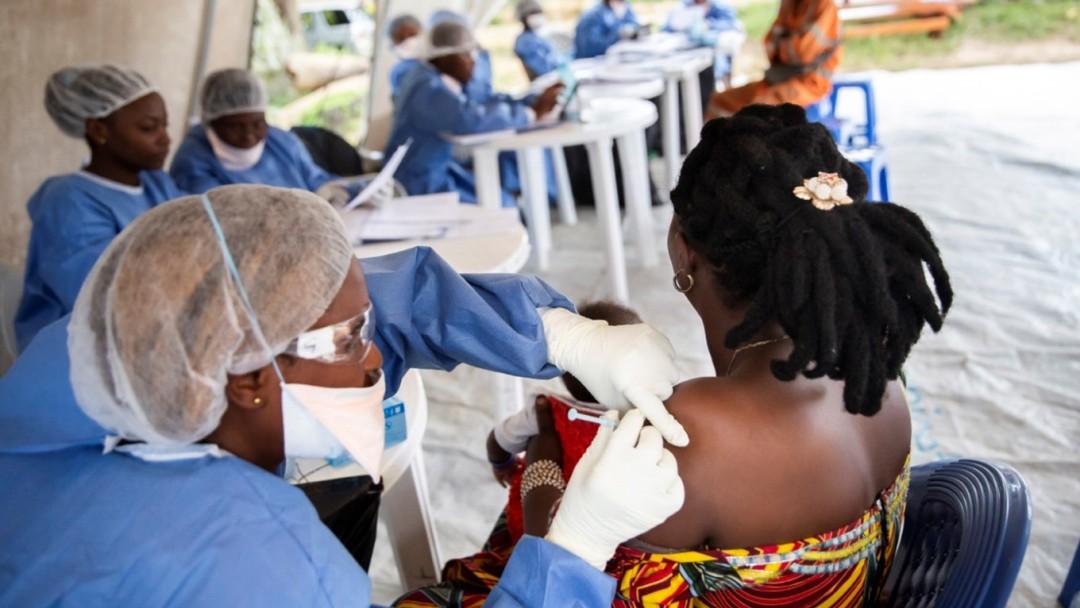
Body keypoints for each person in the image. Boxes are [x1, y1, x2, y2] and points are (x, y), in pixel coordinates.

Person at [0, 185, 687, 605]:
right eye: (352, 341)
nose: (379, 355)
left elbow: (353, 302)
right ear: (245, 382)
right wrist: (569, 557)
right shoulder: (260, 573)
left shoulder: (125, 341)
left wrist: (558, 333)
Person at [394, 103, 954, 607]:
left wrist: (545, 445)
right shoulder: (874, 369)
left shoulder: (698, 431)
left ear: (682, 247)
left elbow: (563, 568)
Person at [14, 64, 181, 353]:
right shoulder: (67, 201)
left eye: (165, 125)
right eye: (148, 128)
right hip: (74, 356)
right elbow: (102, 296)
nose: (165, 139)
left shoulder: (157, 185)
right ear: (98, 129)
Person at [385, 21, 563, 208]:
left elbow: (482, 102)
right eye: (467, 55)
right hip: (419, 181)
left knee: (504, 203)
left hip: (436, 170)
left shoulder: (436, 78)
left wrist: (531, 101)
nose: (474, 62)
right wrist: (529, 114)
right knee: (501, 209)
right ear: (445, 56)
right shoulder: (427, 88)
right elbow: (468, 118)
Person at [486, 300, 641, 486]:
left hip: (543, 506)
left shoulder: (545, 410)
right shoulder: (653, 417)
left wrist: (503, 464)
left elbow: (498, 440)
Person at [170, 68, 374, 206]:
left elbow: (316, 180)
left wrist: (355, 190)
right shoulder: (191, 161)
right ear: (211, 122)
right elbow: (218, 212)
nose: (249, 135)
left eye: (257, 123)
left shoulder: (281, 142)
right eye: (235, 126)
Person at [706, 0, 840, 118]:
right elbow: (769, 45)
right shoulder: (789, 3)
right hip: (777, 78)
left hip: (809, 83)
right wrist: (788, 45)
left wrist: (782, 44)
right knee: (719, 101)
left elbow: (802, 53)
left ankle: (756, 146)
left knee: (757, 111)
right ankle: (722, 145)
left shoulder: (824, 5)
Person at [662, 0, 744, 84]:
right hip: (681, 57)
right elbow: (665, 30)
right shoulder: (681, 7)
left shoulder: (721, 6)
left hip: (713, 63)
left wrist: (709, 24)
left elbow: (732, 25)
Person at [513, 0, 565, 80]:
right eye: (532, 13)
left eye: (538, 12)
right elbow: (544, 68)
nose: (537, 16)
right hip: (547, 81)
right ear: (523, 18)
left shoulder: (535, 37)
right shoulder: (525, 42)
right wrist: (562, 62)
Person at [574, 0, 641, 59]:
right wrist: (617, 33)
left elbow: (633, 24)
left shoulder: (623, 5)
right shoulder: (593, 15)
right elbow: (588, 49)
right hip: (589, 62)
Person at [388, 14, 424, 100]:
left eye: (412, 35)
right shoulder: (402, 72)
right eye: (401, 38)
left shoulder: (431, 64)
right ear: (392, 43)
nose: (408, 41)